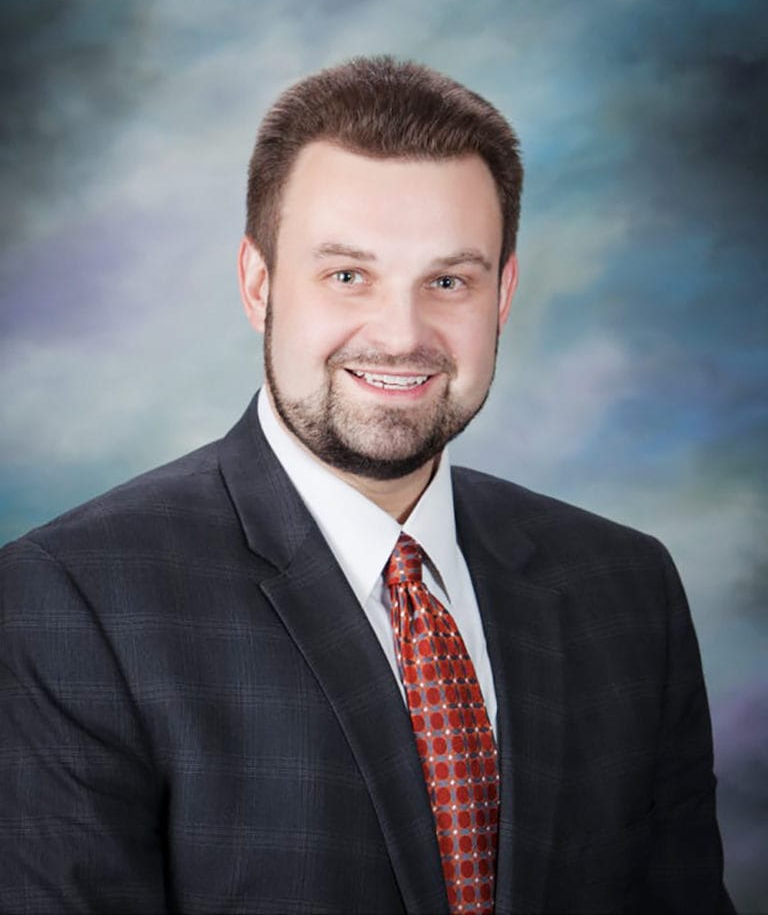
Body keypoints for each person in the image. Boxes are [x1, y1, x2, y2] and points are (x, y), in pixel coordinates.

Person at [0, 56, 733, 914]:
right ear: (259, 285)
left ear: (502, 295)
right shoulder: (73, 601)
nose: (401, 335)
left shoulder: (627, 587)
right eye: (348, 275)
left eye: (448, 281)